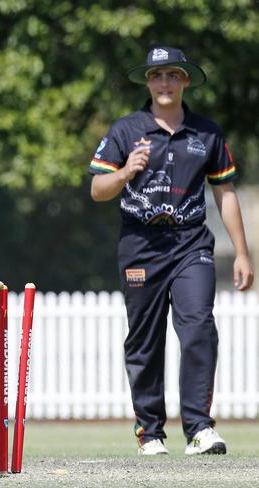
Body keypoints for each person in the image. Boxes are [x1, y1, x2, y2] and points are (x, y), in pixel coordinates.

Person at [89, 46, 254, 456]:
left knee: (198, 327)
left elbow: (226, 193)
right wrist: (127, 170)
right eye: (157, 75)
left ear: (185, 81)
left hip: (191, 244)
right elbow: (97, 190)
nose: (165, 83)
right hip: (140, 246)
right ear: (147, 81)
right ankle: (150, 431)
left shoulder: (207, 133)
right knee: (145, 340)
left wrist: (243, 252)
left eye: (173, 75)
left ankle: (199, 428)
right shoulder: (127, 129)